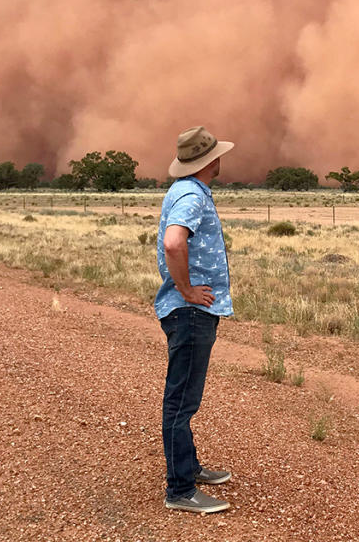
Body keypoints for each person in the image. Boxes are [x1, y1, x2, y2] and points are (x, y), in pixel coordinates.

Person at [155, 125, 236, 514]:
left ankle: (189, 467)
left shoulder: (187, 191)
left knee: (185, 397)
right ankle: (180, 490)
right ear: (211, 160)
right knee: (181, 401)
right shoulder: (191, 195)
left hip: (191, 311)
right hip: (190, 312)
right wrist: (187, 290)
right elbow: (174, 241)